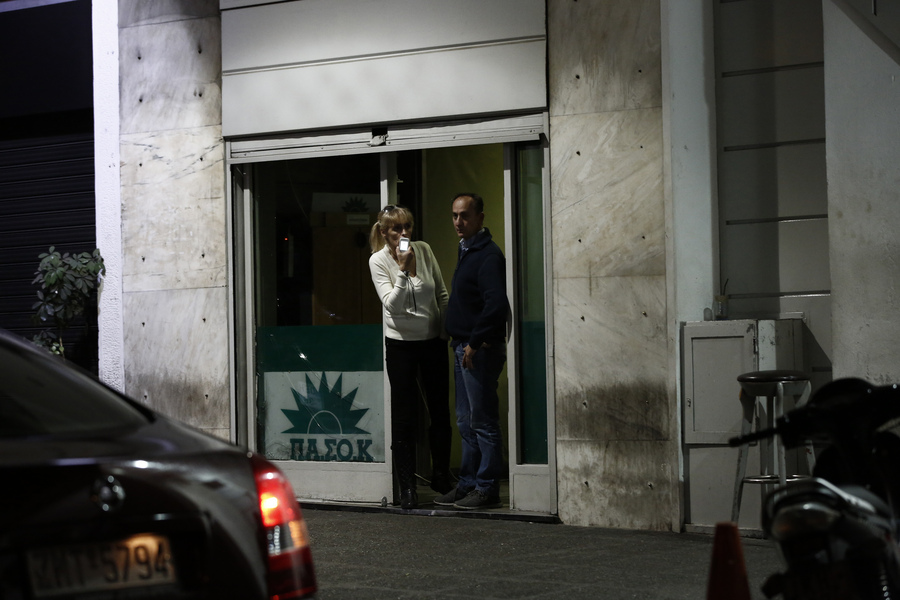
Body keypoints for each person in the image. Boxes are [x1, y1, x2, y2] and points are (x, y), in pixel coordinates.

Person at [368, 205, 453, 509]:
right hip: (401, 344)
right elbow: (391, 304)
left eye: (407, 227)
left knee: (440, 410)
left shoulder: (424, 250)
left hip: (432, 342)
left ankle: (441, 476)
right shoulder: (378, 261)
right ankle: (407, 486)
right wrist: (404, 271)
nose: (403, 233)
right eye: (396, 228)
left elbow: (441, 293)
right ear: (384, 232)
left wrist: (443, 332)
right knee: (404, 415)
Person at [435, 193, 509, 510]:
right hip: (462, 346)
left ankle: (487, 488)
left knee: (482, 420)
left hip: (476, 349)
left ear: (480, 217)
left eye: (464, 215)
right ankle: (468, 484)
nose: (458, 222)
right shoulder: (466, 249)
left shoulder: (487, 254)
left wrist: (475, 342)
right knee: (466, 422)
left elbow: (496, 304)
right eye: (454, 215)